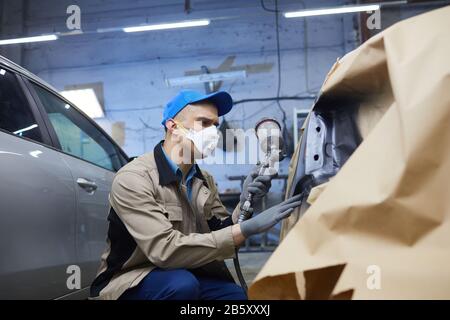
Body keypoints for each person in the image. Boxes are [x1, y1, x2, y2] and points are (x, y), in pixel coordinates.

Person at [89, 90, 302, 300]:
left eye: (215, 125)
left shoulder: (204, 179)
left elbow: (220, 229)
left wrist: (246, 201)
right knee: (181, 286)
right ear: (173, 126)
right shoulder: (134, 177)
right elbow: (165, 250)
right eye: (204, 123)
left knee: (233, 295)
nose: (213, 133)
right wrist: (248, 229)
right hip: (131, 279)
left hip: (184, 270)